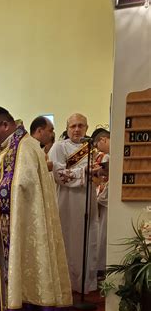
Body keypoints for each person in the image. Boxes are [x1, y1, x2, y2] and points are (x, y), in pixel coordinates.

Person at [0, 106, 72, 311]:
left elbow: (21, 185)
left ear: (4, 126)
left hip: (18, 223)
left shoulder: (24, 147)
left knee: (13, 265)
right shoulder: (1, 150)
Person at [48, 113, 99, 293]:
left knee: (88, 238)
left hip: (88, 198)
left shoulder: (91, 147)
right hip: (67, 202)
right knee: (69, 240)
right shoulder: (59, 147)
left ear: (87, 127)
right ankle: (67, 284)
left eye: (81, 126)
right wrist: (85, 171)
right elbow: (59, 175)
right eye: (73, 126)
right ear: (67, 128)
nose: (77, 129)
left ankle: (85, 283)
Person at [91, 127, 110, 277]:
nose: (98, 149)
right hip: (106, 200)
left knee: (104, 234)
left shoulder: (110, 155)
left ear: (103, 140)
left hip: (110, 202)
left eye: (97, 145)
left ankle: (104, 267)